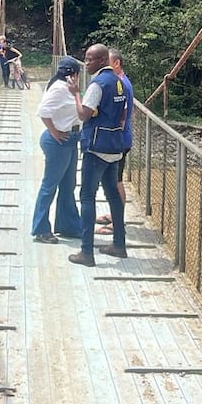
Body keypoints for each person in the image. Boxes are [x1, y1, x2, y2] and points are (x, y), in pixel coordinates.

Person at [68, 44, 131, 267]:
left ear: (102, 60)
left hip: (96, 148)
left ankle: (86, 252)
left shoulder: (97, 84)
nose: (86, 64)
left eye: (90, 60)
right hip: (115, 146)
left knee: (87, 196)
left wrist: (76, 95)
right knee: (113, 195)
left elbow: (84, 115)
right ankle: (119, 245)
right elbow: (123, 114)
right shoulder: (119, 82)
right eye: (85, 59)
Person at [31, 56, 83, 244]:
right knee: (49, 185)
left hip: (71, 140)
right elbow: (43, 111)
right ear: (75, 74)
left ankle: (69, 226)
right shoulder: (60, 88)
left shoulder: (67, 88)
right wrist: (54, 131)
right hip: (59, 142)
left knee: (68, 185)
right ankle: (41, 229)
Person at [96, 48, 133, 235]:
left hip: (119, 140)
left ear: (116, 63)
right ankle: (114, 215)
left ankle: (118, 223)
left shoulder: (121, 85)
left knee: (116, 182)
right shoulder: (120, 82)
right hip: (119, 138)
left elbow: (122, 117)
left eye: (107, 62)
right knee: (113, 180)